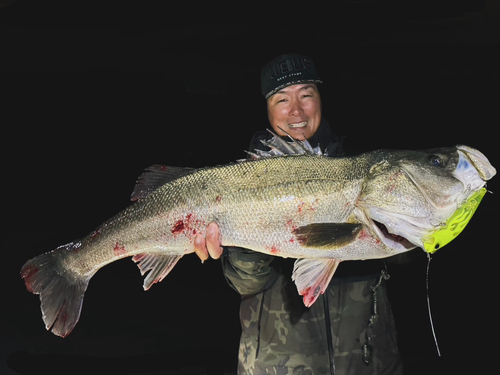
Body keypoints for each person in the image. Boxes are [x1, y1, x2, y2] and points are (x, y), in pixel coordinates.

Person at [193, 53, 403, 375]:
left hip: (369, 361)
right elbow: (245, 284)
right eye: (282, 99)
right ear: (267, 108)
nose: (296, 110)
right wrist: (246, 242)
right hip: (278, 366)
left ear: (320, 99)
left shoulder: (363, 169)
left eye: (306, 94)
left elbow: (403, 256)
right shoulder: (239, 181)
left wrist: (434, 231)